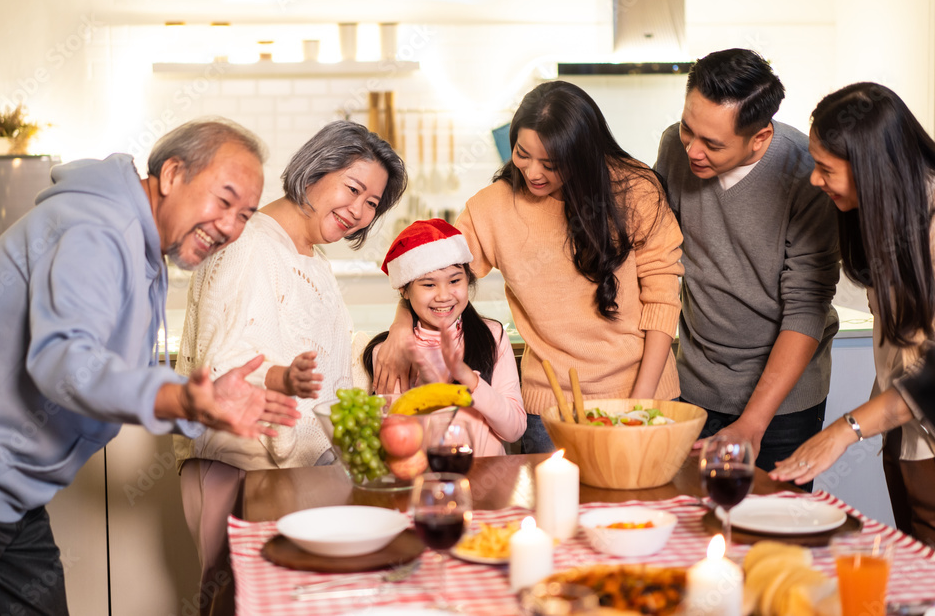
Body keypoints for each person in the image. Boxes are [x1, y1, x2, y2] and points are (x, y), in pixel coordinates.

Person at [0, 118, 301, 614]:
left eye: (245, 215)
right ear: (171, 175)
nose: (232, 228)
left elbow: (111, 367)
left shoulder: (141, 245)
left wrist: (199, 399)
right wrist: (182, 398)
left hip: (6, 497)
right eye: (225, 200)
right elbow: (65, 362)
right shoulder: (97, 229)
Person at [374, 81, 685, 454]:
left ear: (581, 155)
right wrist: (400, 326)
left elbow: (663, 299)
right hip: (551, 410)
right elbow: (433, 268)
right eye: (522, 154)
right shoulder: (493, 208)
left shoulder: (635, 190)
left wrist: (641, 404)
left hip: (645, 395)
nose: (533, 173)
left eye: (551, 164)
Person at [172, 120, 407, 607]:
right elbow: (223, 366)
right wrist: (284, 378)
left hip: (291, 470)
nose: (360, 213)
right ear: (315, 170)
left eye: (372, 204)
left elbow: (328, 352)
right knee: (238, 603)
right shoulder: (247, 243)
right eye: (353, 189)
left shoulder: (311, 256)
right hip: (238, 467)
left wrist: (380, 350)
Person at [652, 48, 840, 477]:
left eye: (713, 144)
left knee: (771, 530)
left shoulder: (806, 174)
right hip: (695, 382)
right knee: (691, 523)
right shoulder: (673, 146)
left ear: (759, 136)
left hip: (784, 401)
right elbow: (656, 249)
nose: (693, 150)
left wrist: (753, 424)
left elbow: (805, 307)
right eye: (688, 129)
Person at [771, 83, 935, 546]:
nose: (814, 180)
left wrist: (847, 430)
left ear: (872, 168)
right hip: (904, 439)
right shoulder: (888, 213)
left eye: (826, 168)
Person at [363, 219, 526, 455]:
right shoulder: (390, 352)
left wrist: (469, 380)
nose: (444, 296)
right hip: (423, 485)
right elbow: (394, 443)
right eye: (429, 284)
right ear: (404, 290)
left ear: (467, 280)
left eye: (454, 281)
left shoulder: (491, 335)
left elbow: (515, 430)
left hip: (490, 481)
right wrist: (427, 386)